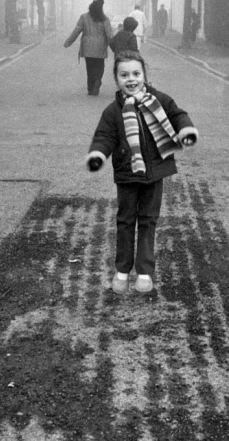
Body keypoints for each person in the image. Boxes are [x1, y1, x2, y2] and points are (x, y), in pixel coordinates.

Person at [85, 50, 198, 294]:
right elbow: (105, 137)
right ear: (116, 79)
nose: (131, 79)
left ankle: (145, 271)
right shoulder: (112, 111)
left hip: (154, 173)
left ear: (145, 74)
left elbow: (178, 115)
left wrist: (185, 130)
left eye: (136, 73)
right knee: (125, 221)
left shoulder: (159, 100)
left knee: (148, 221)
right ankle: (122, 270)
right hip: (127, 174)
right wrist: (98, 154)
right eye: (124, 75)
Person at [64, 0, 114, 96]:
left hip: (87, 46)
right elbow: (109, 35)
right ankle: (97, 81)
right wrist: (115, 48)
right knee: (100, 66)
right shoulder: (105, 19)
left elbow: (77, 30)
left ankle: (90, 89)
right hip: (100, 46)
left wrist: (68, 42)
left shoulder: (84, 17)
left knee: (89, 67)